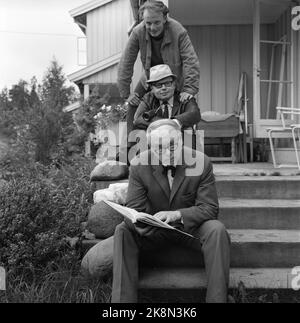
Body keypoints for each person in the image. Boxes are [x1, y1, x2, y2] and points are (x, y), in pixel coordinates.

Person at [111, 119, 231, 303]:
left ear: (182, 140)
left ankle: (217, 300)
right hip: (153, 232)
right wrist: (142, 221)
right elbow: (134, 208)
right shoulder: (138, 164)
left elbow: (210, 208)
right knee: (122, 230)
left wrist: (177, 215)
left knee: (217, 229)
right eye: (159, 148)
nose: (167, 152)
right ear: (150, 146)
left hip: (189, 230)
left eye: (173, 145)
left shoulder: (202, 162)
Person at [118, 0, 200, 143]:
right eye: (148, 23)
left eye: (156, 22)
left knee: (187, 105)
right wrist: (127, 93)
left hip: (173, 78)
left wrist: (189, 88)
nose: (152, 27)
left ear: (164, 18)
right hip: (150, 77)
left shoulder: (178, 30)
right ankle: (129, 146)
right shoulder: (138, 31)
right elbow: (126, 62)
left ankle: (187, 145)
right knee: (132, 105)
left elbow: (190, 60)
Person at [133, 64, 201, 130]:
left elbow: (195, 114)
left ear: (174, 84)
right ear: (152, 88)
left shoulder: (184, 97)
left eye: (167, 83)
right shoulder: (148, 99)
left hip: (183, 139)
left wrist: (175, 122)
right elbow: (138, 119)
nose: (164, 88)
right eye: (158, 85)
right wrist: (165, 124)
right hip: (156, 140)